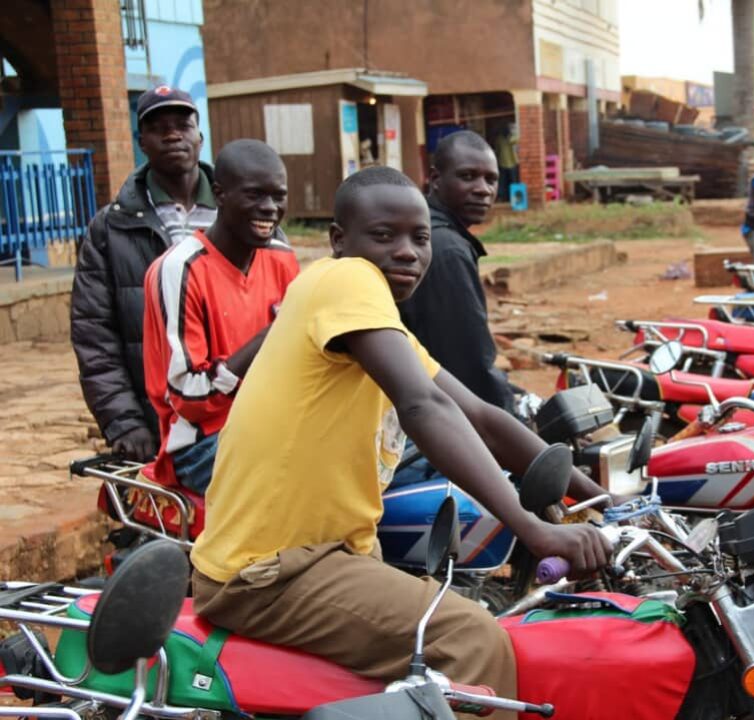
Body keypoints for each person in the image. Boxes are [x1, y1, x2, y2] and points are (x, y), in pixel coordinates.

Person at [189, 166, 613, 720]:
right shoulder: (344, 281)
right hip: (268, 573)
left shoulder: (379, 327)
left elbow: (483, 417)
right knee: (472, 639)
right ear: (340, 240)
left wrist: (598, 499)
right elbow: (424, 405)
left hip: (325, 558)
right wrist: (531, 528)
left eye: (420, 237)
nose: (408, 252)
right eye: (384, 235)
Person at [142, 140, 299, 494]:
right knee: (309, 478)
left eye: (278, 196)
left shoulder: (281, 258)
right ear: (220, 195)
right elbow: (188, 397)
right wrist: (268, 336)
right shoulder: (180, 269)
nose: (269, 208)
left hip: (275, 426)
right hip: (203, 444)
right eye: (255, 195)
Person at [71, 86, 216, 463]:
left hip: (234, 415)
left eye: (182, 125)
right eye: (158, 128)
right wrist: (124, 422)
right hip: (154, 422)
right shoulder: (111, 227)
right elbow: (94, 334)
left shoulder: (240, 212)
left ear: (199, 137)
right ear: (142, 143)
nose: (172, 135)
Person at [399, 130, 513, 412]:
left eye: (491, 179)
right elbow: (469, 363)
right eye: (468, 176)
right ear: (436, 179)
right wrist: (512, 421)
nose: (483, 189)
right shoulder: (447, 250)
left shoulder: (424, 230)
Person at [494, 123, 519, 202]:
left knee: (512, 182)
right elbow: (497, 150)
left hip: (511, 162)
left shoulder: (512, 137)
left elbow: (514, 140)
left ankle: (514, 199)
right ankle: (503, 198)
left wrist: (510, 135)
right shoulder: (500, 138)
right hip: (504, 163)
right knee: (503, 182)